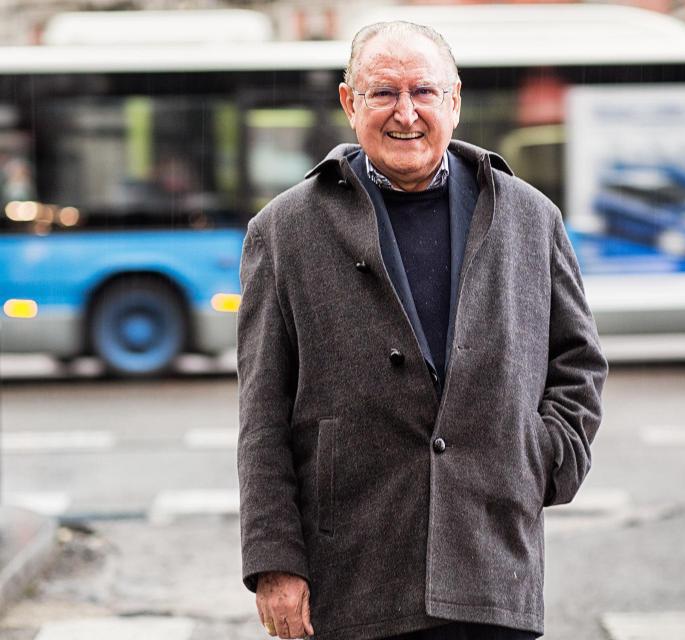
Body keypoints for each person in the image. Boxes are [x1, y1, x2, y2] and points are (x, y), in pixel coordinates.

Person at [237, 21, 608, 640]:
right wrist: (274, 562)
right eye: (383, 93)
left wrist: (540, 463)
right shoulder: (284, 231)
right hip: (352, 571)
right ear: (349, 102)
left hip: (493, 566)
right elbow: (262, 415)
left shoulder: (529, 216)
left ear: (454, 101)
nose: (405, 113)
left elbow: (579, 363)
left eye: (423, 92)